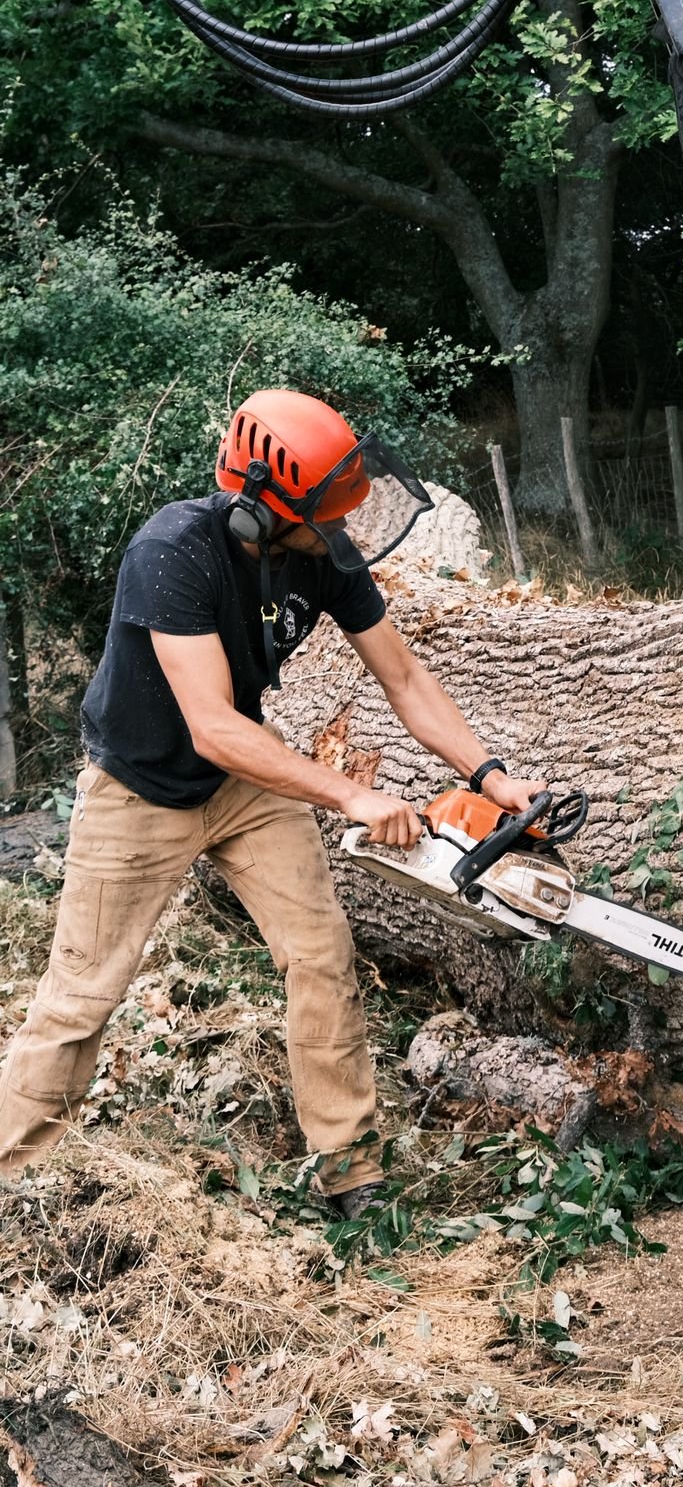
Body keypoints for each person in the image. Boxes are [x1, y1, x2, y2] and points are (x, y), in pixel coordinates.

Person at [0, 388, 540, 1216]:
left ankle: (352, 1170)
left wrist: (489, 773)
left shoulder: (320, 545)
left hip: (244, 786)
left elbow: (403, 677)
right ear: (258, 507)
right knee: (79, 1000)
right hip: (138, 789)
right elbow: (212, 726)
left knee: (321, 955)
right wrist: (352, 795)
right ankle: (9, 1174)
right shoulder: (172, 552)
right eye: (319, 519)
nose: (333, 535)